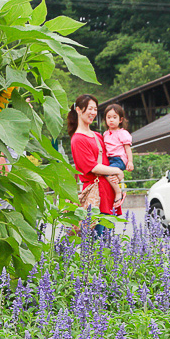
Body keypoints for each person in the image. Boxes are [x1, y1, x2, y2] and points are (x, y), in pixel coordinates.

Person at [69, 94, 124, 236]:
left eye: (95, 109)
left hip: (107, 195)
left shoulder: (98, 135)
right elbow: (92, 167)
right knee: (96, 246)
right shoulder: (77, 139)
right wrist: (117, 170)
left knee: (108, 247)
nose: (93, 112)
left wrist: (118, 175)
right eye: (90, 109)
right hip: (95, 197)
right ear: (79, 110)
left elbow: (108, 160)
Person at [102, 104, 133, 214]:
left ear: (120, 120)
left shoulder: (122, 133)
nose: (111, 120)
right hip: (109, 159)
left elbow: (127, 148)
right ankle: (118, 177)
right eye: (108, 117)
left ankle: (118, 192)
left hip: (119, 159)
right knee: (107, 174)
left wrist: (130, 161)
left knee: (106, 172)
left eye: (114, 117)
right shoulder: (105, 134)